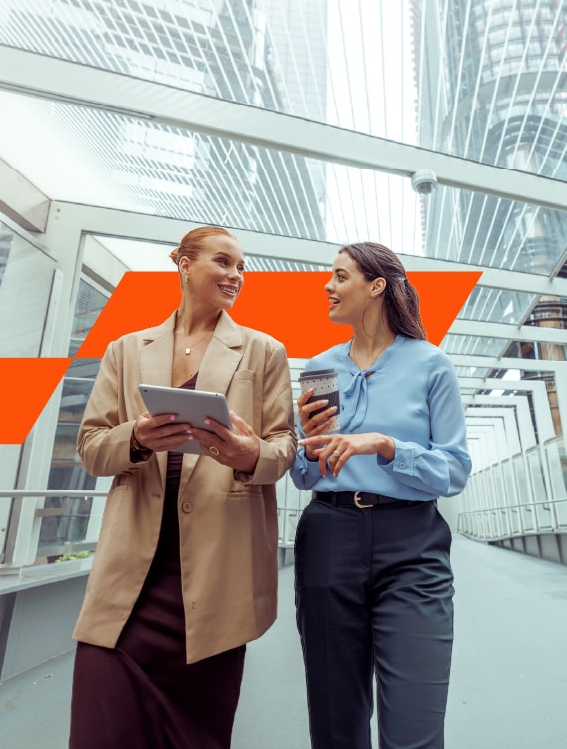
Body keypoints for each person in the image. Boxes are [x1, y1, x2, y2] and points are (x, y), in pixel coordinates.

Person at [70, 226, 297, 749]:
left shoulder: (264, 351)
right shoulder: (126, 350)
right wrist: (136, 438)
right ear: (184, 264)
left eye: (241, 267)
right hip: (130, 575)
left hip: (217, 574)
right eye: (223, 262)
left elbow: (283, 446)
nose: (235, 276)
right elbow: (91, 448)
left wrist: (249, 455)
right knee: (99, 731)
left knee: (196, 736)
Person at [291, 242, 471, 749]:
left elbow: (454, 470)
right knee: (334, 720)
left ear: (376, 286)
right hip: (329, 536)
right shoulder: (320, 367)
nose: (327, 286)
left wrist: (389, 447)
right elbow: (304, 476)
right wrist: (306, 441)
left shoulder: (431, 364)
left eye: (339, 276)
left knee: (415, 722)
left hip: (411, 543)